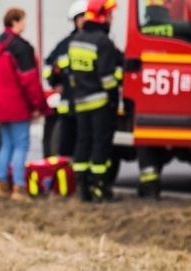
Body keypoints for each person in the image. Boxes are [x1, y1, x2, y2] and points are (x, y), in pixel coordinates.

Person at [0, 7, 49, 202]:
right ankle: (19, 187)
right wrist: (39, 105)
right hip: (16, 105)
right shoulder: (21, 47)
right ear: (16, 21)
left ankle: (2, 185)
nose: (25, 24)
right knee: (21, 145)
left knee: (6, 145)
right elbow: (29, 80)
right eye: (23, 20)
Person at [68, 0, 122, 202]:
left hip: (81, 101)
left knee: (83, 142)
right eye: (110, 15)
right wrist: (119, 82)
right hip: (100, 103)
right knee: (101, 145)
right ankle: (100, 190)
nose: (112, 19)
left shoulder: (76, 39)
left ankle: (83, 189)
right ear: (102, 16)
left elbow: (73, 75)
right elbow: (107, 78)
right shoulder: (103, 41)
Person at [43, 0, 87, 158]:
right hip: (68, 104)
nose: (83, 20)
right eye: (80, 17)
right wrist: (56, 83)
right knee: (65, 146)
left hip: (87, 104)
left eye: (86, 17)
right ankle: (64, 178)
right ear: (74, 21)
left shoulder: (96, 41)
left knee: (84, 145)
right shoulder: (64, 45)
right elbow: (48, 67)